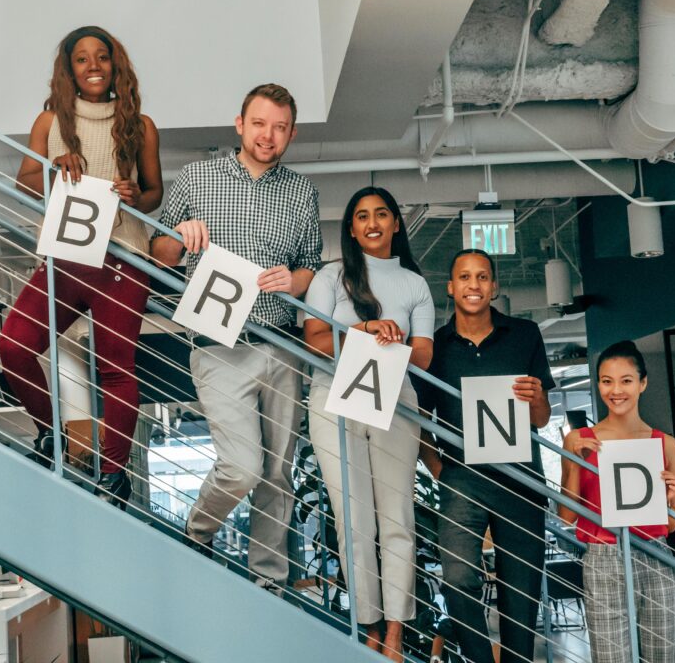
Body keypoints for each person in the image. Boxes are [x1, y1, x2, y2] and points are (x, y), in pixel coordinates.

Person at [150, 83, 321, 592]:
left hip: (282, 343)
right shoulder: (197, 178)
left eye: (281, 127)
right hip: (218, 344)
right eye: (260, 123)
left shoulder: (302, 192)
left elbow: (310, 266)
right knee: (242, 467)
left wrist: (296, 280)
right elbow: (158, 249)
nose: (269, 135)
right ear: (240, 124)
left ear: (291, 133)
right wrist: (181, 237)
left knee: (278, 474)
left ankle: (268, 583)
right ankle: (197, 534)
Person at [0, 25, 162, 508]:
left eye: (102, 57)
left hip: (123, 259)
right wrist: (53, 167)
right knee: (14, 347)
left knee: (115, 369)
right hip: (66, 255)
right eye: (82, 59)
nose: (93, 66)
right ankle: (51, 433)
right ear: (69, 70)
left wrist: (136, 196)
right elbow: (26, 183)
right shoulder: (50, 122)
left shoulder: (141, 124)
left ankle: (113, 475)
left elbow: (154, 193)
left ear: (116, 65)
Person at [303, 186, 435, 661]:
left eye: (382, 214)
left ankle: (396, 632)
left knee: (396, 518)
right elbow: (314, 341)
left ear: (397, 223)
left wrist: (392, 340)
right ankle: (369, 625)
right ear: (352, 227)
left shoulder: (414, 284)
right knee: (353, 521)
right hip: (333, 401)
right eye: (362, 215)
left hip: (395, 401)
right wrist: (360, 331)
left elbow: (422, 356)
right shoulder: (331, 276)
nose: (373, 222)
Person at [417, 248, 553, 663]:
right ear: (451, 287)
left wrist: (536, 399)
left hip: (521, 479)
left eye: (481, 277)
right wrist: (440, 471)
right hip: (462, 478)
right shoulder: (434, 346)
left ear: (494, 287)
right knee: (457, 579)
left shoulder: (526, 334)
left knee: (522, 591)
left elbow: (543, 419)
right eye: (464, 277)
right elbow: (420, 419)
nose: (473, 285)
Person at [559, 340, 675, 663]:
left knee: (662, 656)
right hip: (603, 556)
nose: (616, 390)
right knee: (611, 658)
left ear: (642, 383)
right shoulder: (579, 438)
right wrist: (574, 463)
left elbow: (670, 525)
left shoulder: (665, 444)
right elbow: (566, 516)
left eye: (626, 380)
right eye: (606, 381)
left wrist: (673, 496)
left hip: (656, 554)